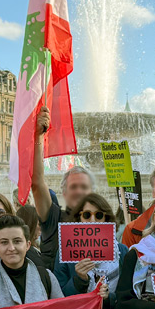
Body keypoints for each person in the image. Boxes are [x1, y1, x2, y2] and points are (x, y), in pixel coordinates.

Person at [30, 106, 94, 270]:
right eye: (74, 187)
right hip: (57, 291)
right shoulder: (54, 218)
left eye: (84, 187)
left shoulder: (100, 222)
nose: (79, 191)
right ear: (64, 192)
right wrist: (38, 136)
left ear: (91, 192)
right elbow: (36, 182)